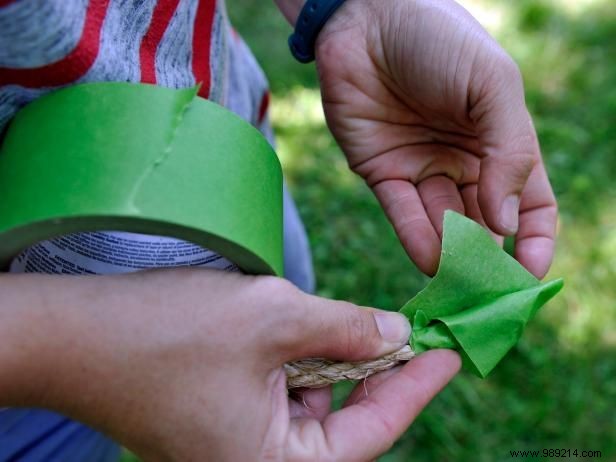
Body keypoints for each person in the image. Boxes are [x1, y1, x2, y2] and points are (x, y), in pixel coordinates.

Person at [0, 0, 557, 460]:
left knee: (288, 313)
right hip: (20, 353)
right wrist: (63, 349)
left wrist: (347, 10)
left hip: (229, 167)